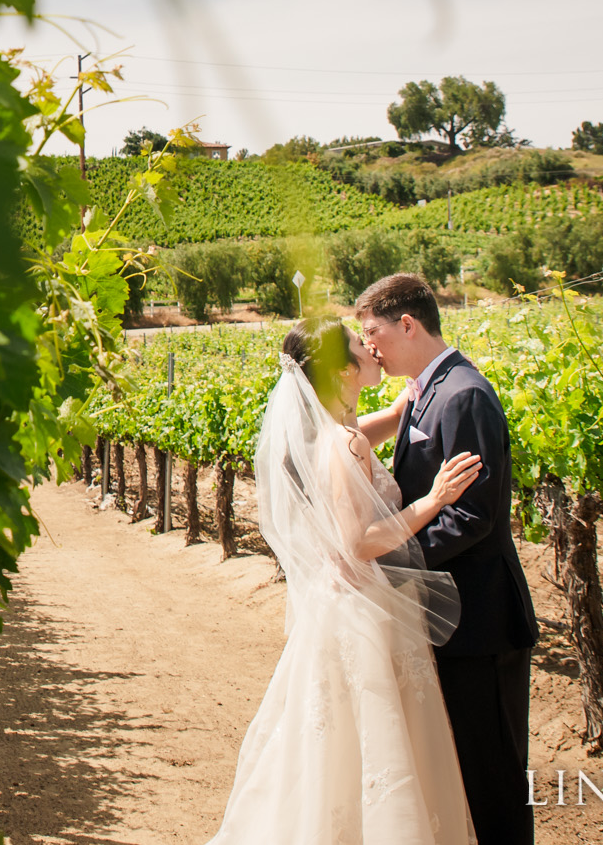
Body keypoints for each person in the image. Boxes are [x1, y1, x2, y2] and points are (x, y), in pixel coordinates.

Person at [205, 320, 482, 845]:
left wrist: (422, 374)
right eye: (361, 344)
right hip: (363, 608)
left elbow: (394, 418)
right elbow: (358, 542)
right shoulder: (345, 443)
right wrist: (434, 500)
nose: (371, 347)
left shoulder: (331, 433)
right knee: (378, 745)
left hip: (340, 608)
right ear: (342, 369)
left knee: (336, 751)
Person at [357, 273, 540, 845]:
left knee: (495, 781)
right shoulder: (423, 393)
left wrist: (388, 563)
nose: (371, 349)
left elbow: (472, 517)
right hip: (446, 621)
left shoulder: (463, 395)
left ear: (407, 324)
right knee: (460, 776)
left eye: (375, 333)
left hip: (480, 624)